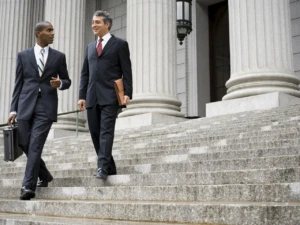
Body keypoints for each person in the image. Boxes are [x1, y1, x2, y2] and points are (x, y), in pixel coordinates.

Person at [8, 21, 71, 200]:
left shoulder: (59, 56)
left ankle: (28, 185)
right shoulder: (23, 55)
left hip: (46, 106)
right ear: (38, 33)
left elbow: (67, 80)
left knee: (35, 144)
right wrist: (13, 109)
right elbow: (18, 84)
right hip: (25, 105)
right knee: (24, 143)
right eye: (49, 30)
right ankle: (44, 175)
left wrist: (61, 83)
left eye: (53, 30)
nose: (53, 33)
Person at [78, 10, 132, 180]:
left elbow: (126, 71)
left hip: (110, 96)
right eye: (93, 22)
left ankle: (102, 167)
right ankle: (110, 167)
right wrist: (82, 96)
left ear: (107, 24)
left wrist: (127, 93)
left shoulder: (120, 44)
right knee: (95, 133)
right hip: (92, 97)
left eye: (97, 22)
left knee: (106, 132)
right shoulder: (89, 47)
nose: (94, 25)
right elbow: (85, 74)